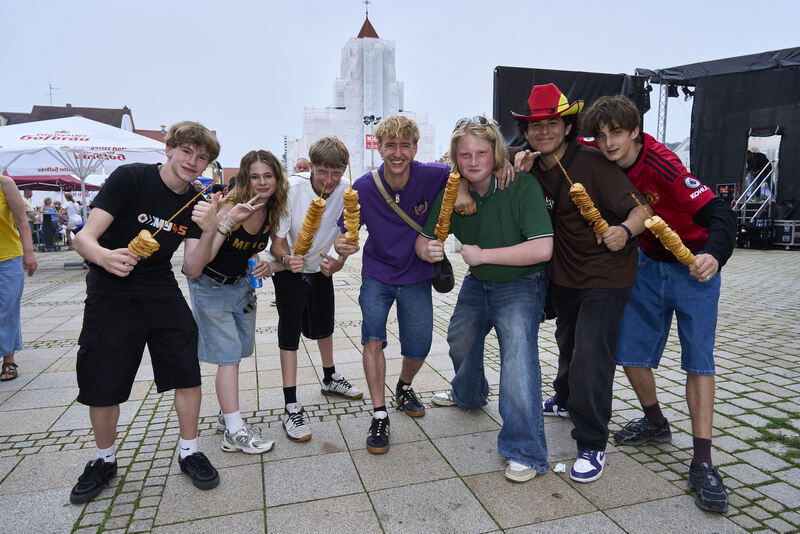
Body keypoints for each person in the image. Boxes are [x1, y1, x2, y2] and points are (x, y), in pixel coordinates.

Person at [580, 95, 737, 513]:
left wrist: (714, 255)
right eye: (602, 135)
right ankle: (655, 422)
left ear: (635, 131)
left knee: (699, 361)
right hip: (648, 264)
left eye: (617, 133)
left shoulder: (663, 163)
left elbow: (721, 213)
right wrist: (513, 158)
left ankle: (702, 461)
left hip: (693, 263)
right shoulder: (597, 151)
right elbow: (556, 142)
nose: (609, 143)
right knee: (630, 354)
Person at [70, 121, 222, 504]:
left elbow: (192, 269)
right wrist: (104, 256)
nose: (192, 161)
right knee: (102, 379)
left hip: (159, 289)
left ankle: (189, 451)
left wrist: (210, 230)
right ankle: (104, 459)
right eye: (186, 151)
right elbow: (83, 238)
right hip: (110, 290)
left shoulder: (195, 202)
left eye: (202, 157)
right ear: (169, 149)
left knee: (186, 369)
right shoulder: (131, 178)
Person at [513, 83, 648, 483]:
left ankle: (591, 443)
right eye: (535, 125)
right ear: (526, 131)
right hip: (563, 276)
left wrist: (624, 230)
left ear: (568, 127)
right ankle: (565, 398)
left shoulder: (592, 162)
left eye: (552, 123)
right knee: (568, 342)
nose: (543, 131)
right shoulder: (526, 164)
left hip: (606, 276)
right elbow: (473, 161)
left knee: (591, 357)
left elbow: (642, 209)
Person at [419, 117, 553, 483]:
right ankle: (469, 394)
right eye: (465, 155)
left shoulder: (520, 184)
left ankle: (525, 451)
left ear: (495, 153)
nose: (473, 161)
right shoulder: (452, 193)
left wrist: (483, 256)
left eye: (481, 153)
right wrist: (427, 249)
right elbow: (424, 239)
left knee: (517, 357)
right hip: (479, 282)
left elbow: (543, 249)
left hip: (522, 282)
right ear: (455, 159)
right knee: (460, 338)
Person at [187, 149, 289, 454]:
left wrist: (270, 265)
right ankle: (234, 430)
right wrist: (229, 221)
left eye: (268, 176)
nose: (262, 182)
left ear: (277, 178)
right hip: (210, 285)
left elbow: (267, 250)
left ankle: (225, 411)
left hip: (241, 286)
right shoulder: (230, 207)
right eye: (255, 176)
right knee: (229, 355)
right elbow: (204, 258)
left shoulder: (273, 208)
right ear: (245, 179)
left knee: (242, 349)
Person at [270, 137, 362, 442]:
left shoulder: (347, 193)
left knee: (325, 326)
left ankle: (330, 377)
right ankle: (291, 404)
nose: (329, 180)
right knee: (290, 333)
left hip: (322, 266)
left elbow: (346, 238)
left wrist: (338, 262)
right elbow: (277, 242)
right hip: (289, 267)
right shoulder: (291, 191)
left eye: (336, 173)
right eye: (322, 172)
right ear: (311, 167)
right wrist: (287, 260)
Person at [0, 176, 38, 382]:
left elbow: (22, 220)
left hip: (7, 257)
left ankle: (9, 358)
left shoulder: (4, 184)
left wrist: (28, 253)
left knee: (6, 308)